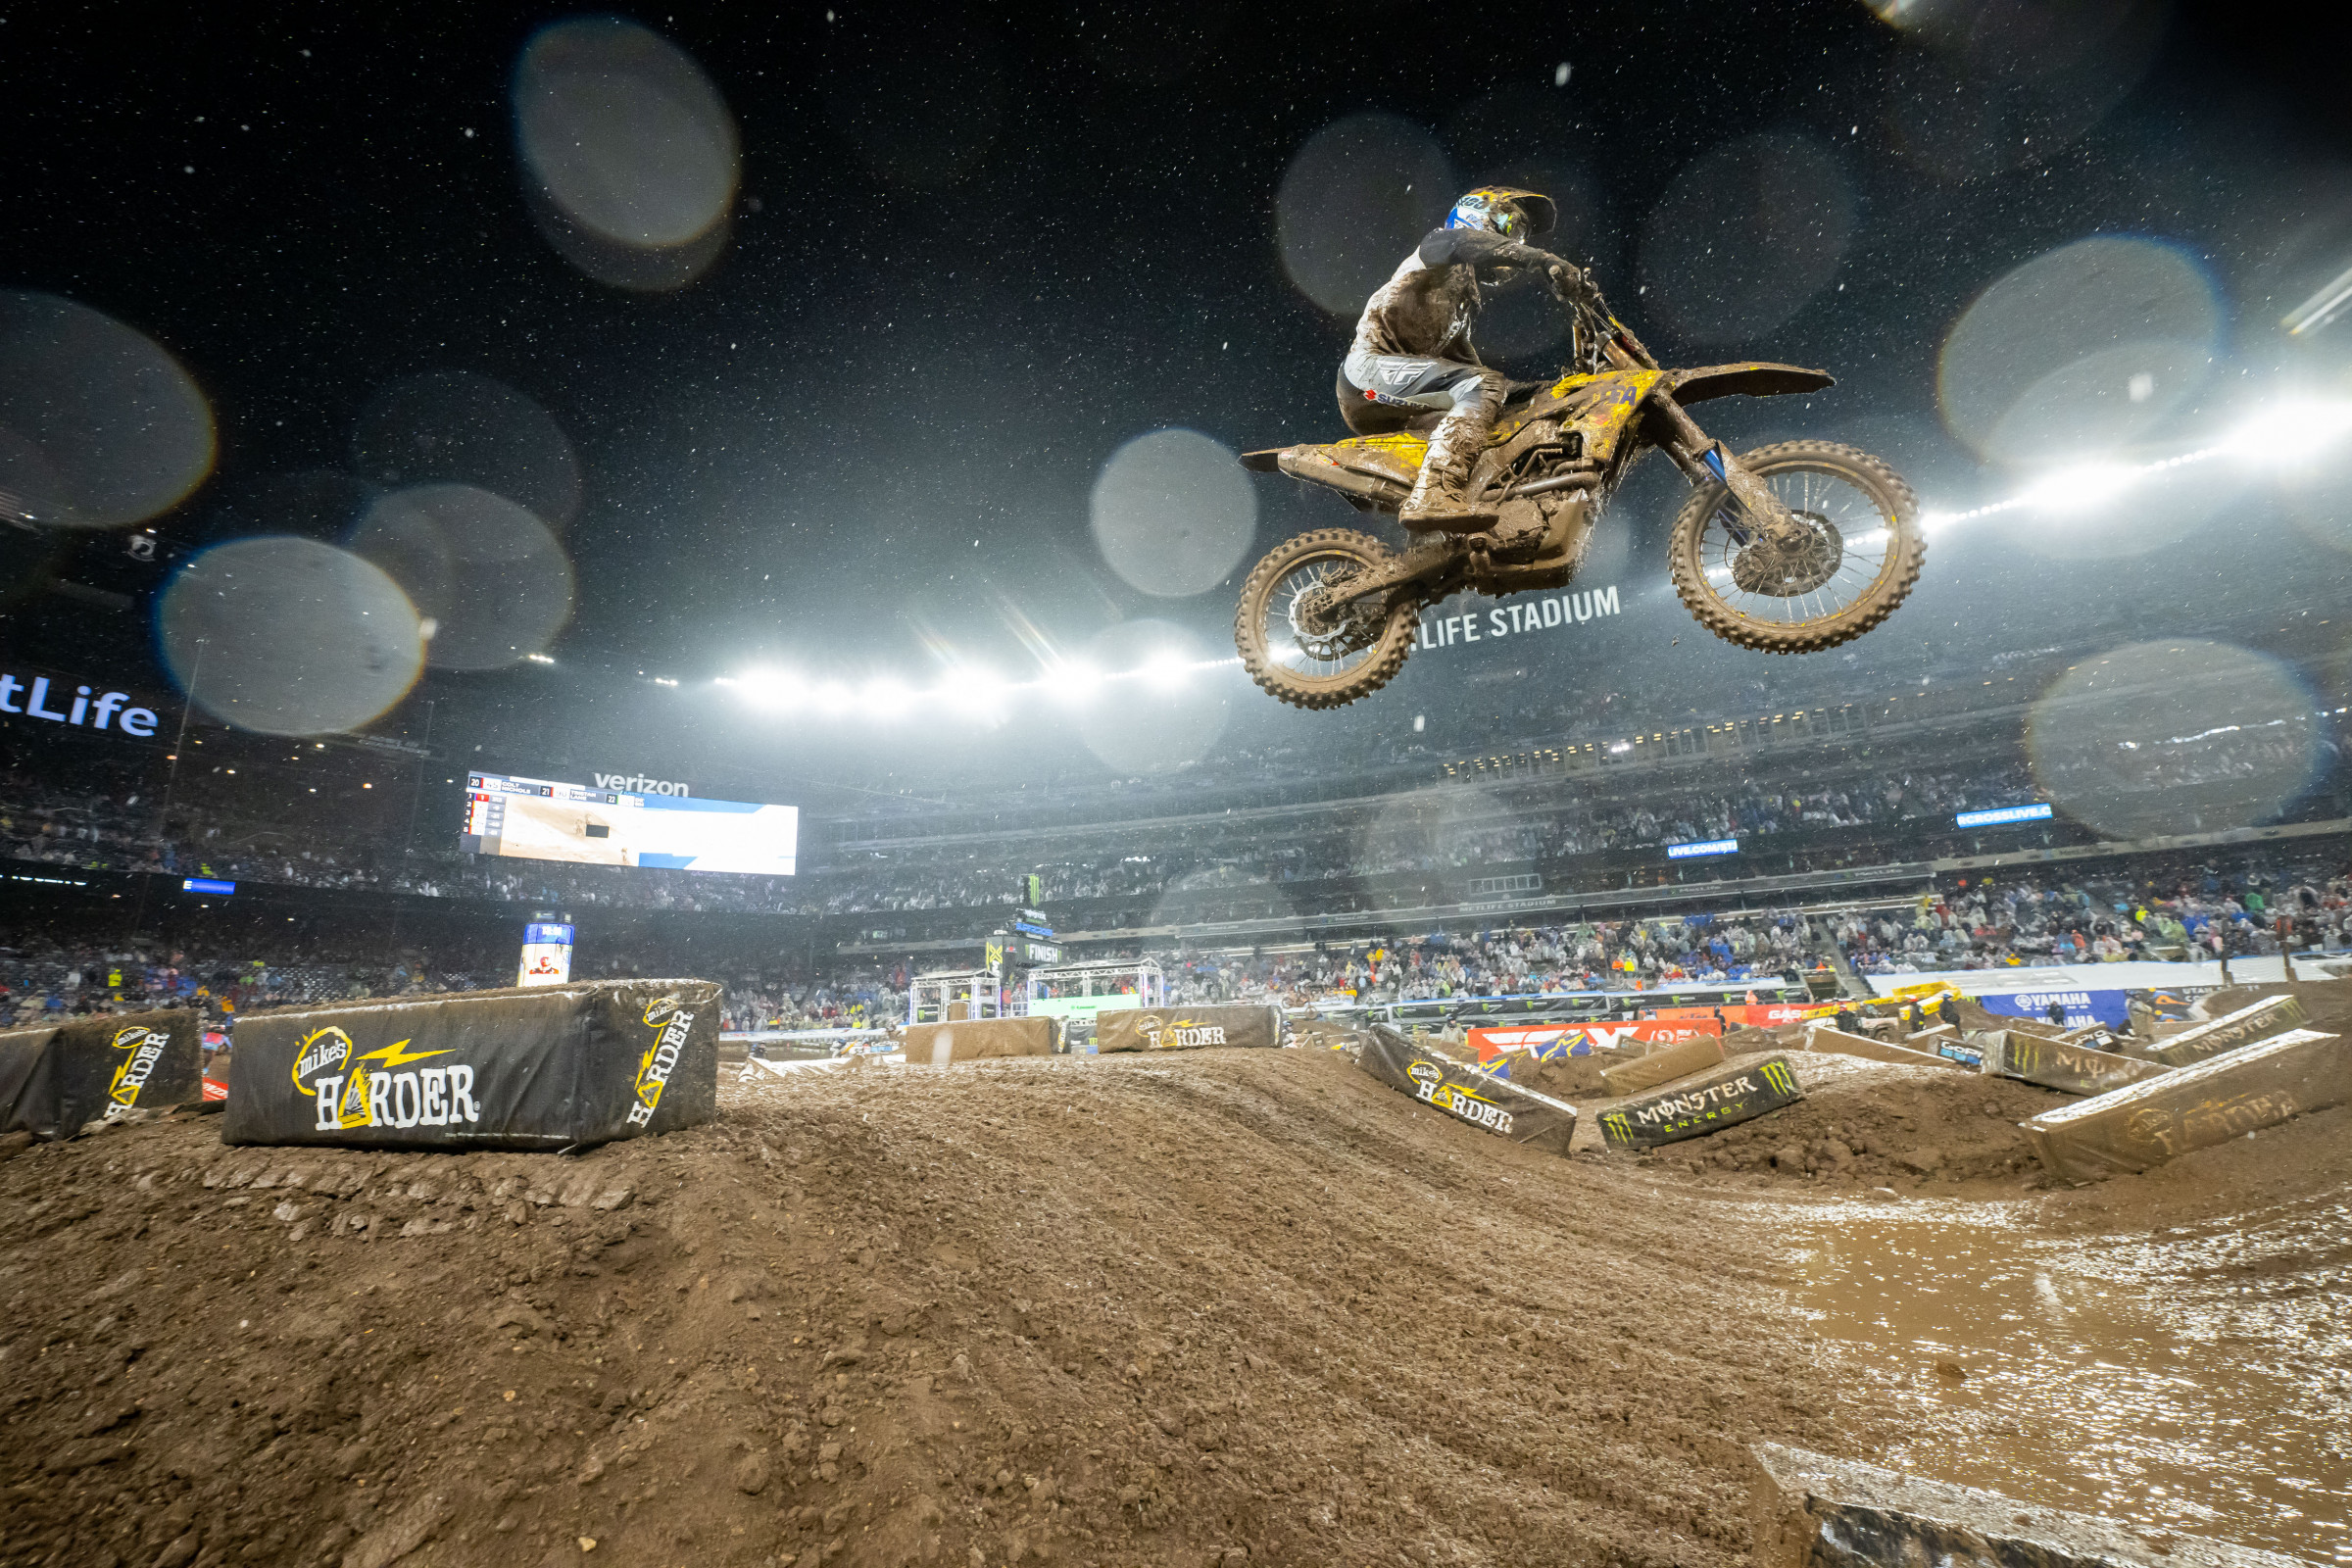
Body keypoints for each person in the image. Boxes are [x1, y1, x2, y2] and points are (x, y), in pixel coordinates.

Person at [1341, 186, 1594, 526]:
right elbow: (1464, 243)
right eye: (1511, 226)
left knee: (1501, 401)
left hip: (1405, 390)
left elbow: (1466, 368)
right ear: (1478, 212)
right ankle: (1433, 494)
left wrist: (1539, 392)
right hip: (1367, 375)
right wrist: (1544, 259)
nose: (1517, 241)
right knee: (1485, 385)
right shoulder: (1439, 245)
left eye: (1521, 236)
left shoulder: (1461, 294)